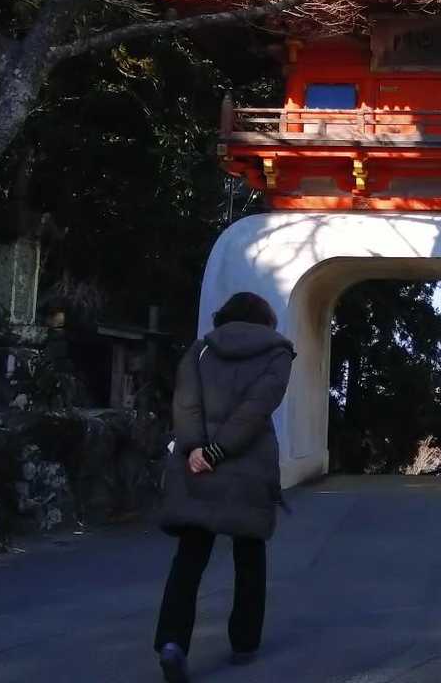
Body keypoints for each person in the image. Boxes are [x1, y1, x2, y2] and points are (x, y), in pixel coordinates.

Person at [152, 292, 296, 683]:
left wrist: (196, 449)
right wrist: (220, 450)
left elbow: (185, 405)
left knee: (189, 559)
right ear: (265, 320)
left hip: (198, 467)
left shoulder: (200, 350)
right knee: (249, 557)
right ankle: (244, 642)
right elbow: (257, 407)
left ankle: (172, 643)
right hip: (248, 467)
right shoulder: (278, 353)